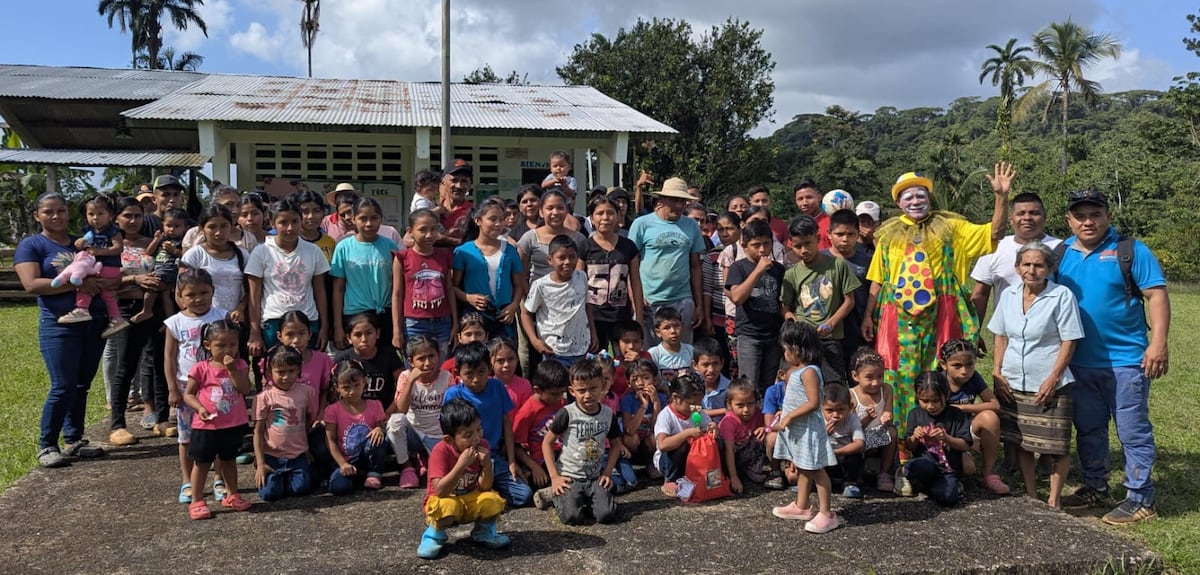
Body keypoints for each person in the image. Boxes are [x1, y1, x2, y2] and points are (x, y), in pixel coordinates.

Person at [861, 164, 1011, 477]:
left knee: (939, 379)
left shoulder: (951, 227)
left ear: (929, 198)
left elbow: (994, 233)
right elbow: (877, 279)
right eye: (908, 197)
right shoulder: (886, 236)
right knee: (897, 382)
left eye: (920, 195)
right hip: (897, 320)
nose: (915, 201)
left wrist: (1001, 197)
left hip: (941, 315)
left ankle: (946, 453)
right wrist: (867, 315)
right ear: (898, 203)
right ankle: (899, 457)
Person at [1054, 190, 1169, 525]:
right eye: (1080, 216)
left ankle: (1141, 498)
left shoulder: (1130, 250)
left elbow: (1156, 295)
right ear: (1069, 220)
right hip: (1079, 361)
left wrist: (1158, 344)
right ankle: (1095, 486)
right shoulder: (1061, 254)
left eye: (1095, 214)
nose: (1088, 222)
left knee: (1132, 432)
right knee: (1088, 429)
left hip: (1127, 361)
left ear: (1108, 216)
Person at [15, 191, 109, 468]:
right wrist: (77, 284)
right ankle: (47, 445)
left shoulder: (81, 243)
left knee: (81, 385)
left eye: (61, 210)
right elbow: (32, 284)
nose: (56, 216)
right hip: (58, 325)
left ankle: (74, 439)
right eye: (48, 211)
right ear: (37, 216)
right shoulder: (32, 245)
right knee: (62, 385)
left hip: (93, 321)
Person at [988, 241, 1083, 509]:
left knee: (1056, 445)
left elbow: (1069, 340)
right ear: (1018, 267)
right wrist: (997, 371)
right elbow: (1000, 335)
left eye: (1039, 265)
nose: (1032, 270)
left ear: (1049, 269)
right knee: (1023, 442)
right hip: (1013, 380)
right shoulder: (1009, 295)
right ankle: (1031, 495)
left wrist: (1053, 378)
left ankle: (1054, 499)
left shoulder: (1061, 296)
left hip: (1049, 381)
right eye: (1026, 264)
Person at [163, 269, 228, 503]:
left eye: (204, 293)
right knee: (186, 437)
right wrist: (172, 388)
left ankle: (219, 479)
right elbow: (169, 357)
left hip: (216, 387)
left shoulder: (221, 317)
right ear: (179, 295)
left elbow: (231, 350)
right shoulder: (175, 322)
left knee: (218, 435)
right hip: (185, 388)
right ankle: (187, 482)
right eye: (191, 295)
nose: (198, 299)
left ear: (213, 292)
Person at [770, 321, 841, 533]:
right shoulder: (797, 371)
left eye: (786, 349)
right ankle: (802, 505)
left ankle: (827, 513)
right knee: (802, 466)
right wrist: (785, 412)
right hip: (799, 430)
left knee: (816, 470)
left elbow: (813, 402)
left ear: (798, 349)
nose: (785, 354)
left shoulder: (809, 371)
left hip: (809, 430)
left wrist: (790, 416)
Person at [418, 398, 510, 559]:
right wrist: (461, 465)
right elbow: (439, 491)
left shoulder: (483, 445)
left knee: (492, 501)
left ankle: (483, 532)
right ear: (449, 439)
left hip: (469, 498)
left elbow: (485, 487)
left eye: (479, 429)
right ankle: (434, 535)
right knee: (447, 507)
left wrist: (487, 465)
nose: (476, 438)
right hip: (446, 498)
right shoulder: (440, 451)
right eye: (468, 435)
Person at [442, 342, 532, 507]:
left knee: (523, 495)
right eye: (469, 374)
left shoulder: (497, 386)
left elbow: (506, 423)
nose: (476, 379)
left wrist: (512, 461)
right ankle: (483, 492)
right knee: (457, 496)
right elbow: (449, 433)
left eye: (481, 372)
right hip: (465, 458)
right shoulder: (453, 394)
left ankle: (487, 490)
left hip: (493, 455)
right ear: (457, 373)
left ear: (489, 369)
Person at [536, 359, 622, 524]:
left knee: (606, 515)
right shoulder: (567, 414)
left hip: (594, 476)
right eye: (581, 390)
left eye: (593, 388)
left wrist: (607, 472)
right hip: (569, 476)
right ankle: (554, 494)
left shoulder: (608, 415)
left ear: (602, 386)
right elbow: (547, 443)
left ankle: (586, 499)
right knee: (572, 517)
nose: (588, 395)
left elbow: (616, 445)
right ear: (572, 391)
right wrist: (554, 477)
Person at [183, 319, 253, 519]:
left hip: (232, 423)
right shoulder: (201, 368)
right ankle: (197, 500)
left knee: (229, 460)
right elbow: (188, 394)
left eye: (232, 345)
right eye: (221, 346)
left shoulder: (240, 365)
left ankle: (232, 495)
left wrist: (232, 371)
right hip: (207, 426)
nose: (227, 350)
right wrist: (199, 408)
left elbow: (244, 389)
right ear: (208, 345)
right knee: (202, 463)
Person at [782, 214, 861, 385]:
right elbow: (785, 306)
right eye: (798, 246)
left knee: (834, 384)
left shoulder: (837, 265)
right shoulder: (791, 274)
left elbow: (849, 301)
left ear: (818, 239)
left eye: (808, 243)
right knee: (802, 384)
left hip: (830, 338)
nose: (804, 250)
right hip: (803, 340)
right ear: (791, 245)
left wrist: (831, 323)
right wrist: (791, 319)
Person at [629, 177, 708, 344]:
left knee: (681, 350)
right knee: (649, 353)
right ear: (662, 199)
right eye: (674, 200)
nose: (678, 205)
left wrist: (698, 304)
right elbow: (631, 264)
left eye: (683, 201)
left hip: (682, 298)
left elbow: (695, 267)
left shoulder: (692, 226)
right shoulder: (642, 224)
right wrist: (636, 298)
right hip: (650, 300)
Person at [246, 200, 330, 355]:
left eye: (295, 221)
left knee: (307, 368)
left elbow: (320, 291)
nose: (290, 228)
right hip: (274, 322)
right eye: (283, 223)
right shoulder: (261, 252)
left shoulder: (313, 251)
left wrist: (324, 326)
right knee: (275, 368)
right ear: (272, 223)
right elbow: (254, 296)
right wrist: (254, 331)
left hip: (308, 321)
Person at [265, 310, 333, 475]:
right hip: (284, 426)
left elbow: (325, 390)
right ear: (280, 336)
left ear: (310, 334)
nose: (296, 340)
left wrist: (321, 415)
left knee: (322, 450)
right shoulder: (272, 360)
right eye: (290, 334)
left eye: (302, 333)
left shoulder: (322, 360)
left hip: (313, 423)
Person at [938, 339, 1009, 495]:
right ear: (943, 364)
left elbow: (995, 404)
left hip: (965, 428)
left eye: (969, 365)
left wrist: (962, 408)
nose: (964, 371)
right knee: (968, 468)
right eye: (957, 366)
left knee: (990, 417)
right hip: (944, 433)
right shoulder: (938, 381)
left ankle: (988, 474)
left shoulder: (974, 378)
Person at [725, 219, 786, 393]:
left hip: (773, 335)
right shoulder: (739, 267)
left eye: (766, 244)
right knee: (748, 385)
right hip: (749, 335)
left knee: (769, 386)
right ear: (744, 245)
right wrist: (758, 271)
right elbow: (737, 297)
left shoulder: (778, 269)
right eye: (756, 245)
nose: (762, 250)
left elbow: (782, 301)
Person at [452, 200, 527, 339]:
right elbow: (453, 286)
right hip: (475, 316)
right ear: (478, 220)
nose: (498, 224)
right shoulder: (463, 251)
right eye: (492, 219)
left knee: (504, 350)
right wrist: (468, 297)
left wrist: (514, 305)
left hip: (504, 315)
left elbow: (518, 285)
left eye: (501, 219)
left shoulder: (510, 251)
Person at [253, 346, 319, 502]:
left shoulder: (307, 392)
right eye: (280, 372)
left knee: (300, 489)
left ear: (299, 369)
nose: (286, 377)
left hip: (297, 455)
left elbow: (309, 420)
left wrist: (306, 448)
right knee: (269, 494)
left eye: (291, 371)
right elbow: (258, 432)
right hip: (272, 456)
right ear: (270, 371)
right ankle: (277, 479)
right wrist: (260, 462)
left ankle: (291, 476)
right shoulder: (264, 397)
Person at [331, 197, 398, 349]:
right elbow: (338, 289)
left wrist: (397, 325)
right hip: (355, 315)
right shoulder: (343, 247)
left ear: (381, 218)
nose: (369, 224)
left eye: (374, 218)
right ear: (353, 219)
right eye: (363, 218)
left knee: (385, 358)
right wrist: (338, 326)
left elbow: (397, 286)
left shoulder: (390, 246)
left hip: (385, 314)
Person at [58, 195, 129, 337]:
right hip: (98, 265)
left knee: (86, 281)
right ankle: (116, 318)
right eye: (91, 214)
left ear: (110, 215)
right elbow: (85, 244)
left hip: (108, 266)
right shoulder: (89, 230)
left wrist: (99, 251)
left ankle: (82, 308)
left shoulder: (113, 230)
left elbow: (118, 248)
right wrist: (80, 243)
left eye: (100, 213)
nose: (95, 218)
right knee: (107, 295)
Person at [388, 336, 453, 489]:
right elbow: (401, 409)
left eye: (432, 356)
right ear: (411, 362)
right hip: (414, 433)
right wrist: (411, 381)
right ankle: (406, 467)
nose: (428, 363)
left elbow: (451, 410)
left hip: (438, 435)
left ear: (439, 356)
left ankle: (423, 458)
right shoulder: (405, 376)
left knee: (443, 471)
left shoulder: (446, 377)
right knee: (395, 421)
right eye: (421, 359)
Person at [521, 235, 596, 367]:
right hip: (553, 350)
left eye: (572, 257)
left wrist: (593, 333)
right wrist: (534, 340)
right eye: (561, 258)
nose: (567, 262)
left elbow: (587, 306)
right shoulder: (541, 285)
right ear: (550, 260)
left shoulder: (582, 277)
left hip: (581, 348)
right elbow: (526, 313)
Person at [581, 195, 643, 352]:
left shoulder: (628, 246)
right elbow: (578, 283)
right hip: (593, 315)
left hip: (621, 315)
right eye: (599, 213)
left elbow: (636, 282)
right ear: (592, 218)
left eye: (610, 213)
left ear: (618, 216)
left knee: (626, 357)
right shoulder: (584, 246)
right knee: (595, 359)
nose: (605, 218)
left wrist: (639, 316)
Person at [901, 372, 973, 507]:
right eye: (925, 401)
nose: (930, 406)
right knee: (922, 467)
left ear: (946, 395)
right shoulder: (915, 414)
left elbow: (965, 445)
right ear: (917, 396)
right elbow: (909, 445)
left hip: (947, 470)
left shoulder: (957, 415)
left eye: (935, 401)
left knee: (948, 499)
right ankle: (907, 475)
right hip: (924, 463)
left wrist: (946, 438)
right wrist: (914, 437)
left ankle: (936, 488)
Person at [391, 208, 456, 356]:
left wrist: (455, 323)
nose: (429, 235)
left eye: (433, 229)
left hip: (443, 322)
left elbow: (449, 289)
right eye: (422, 230)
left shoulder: (444, 255)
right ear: (410, 231)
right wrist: (397, 329)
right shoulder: (402, 257)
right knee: (417, 363)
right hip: (414, 323)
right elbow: (397, 295)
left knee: (441, 364)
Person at [324, 359, 389, 494]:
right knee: (338, 487)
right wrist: (343, 464)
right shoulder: (332, 410)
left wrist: (379, 429)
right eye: (346, 388)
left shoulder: (375, 405)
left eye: (356, 385)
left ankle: (373, 472)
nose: (352, 391)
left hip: (367, 455)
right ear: (337, 387)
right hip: (347, 459)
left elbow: (381, 428)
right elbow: (330, 441)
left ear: (364, 382)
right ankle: (354, 475)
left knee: (378, 438)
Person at [180, 205, 250, 329]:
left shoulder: (242, 255)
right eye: (212, 227)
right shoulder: (194, 255)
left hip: (234, 324)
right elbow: (180, 292)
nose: (218, 232)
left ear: (231, 226)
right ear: (202, 229)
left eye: (224, 226)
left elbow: (251, 291)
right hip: (202, 325)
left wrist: (240, 308)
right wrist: (196, 318)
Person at [825, 209, 872, 373]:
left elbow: (873, 292)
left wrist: (868, 317)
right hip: (829, 331)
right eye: (839, 234)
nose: (845, 239)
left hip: (858, 328)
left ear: (858, 234)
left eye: (851, 234)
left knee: (858, 375)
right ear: (829, 234)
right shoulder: (820, 260)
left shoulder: (867, 261)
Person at [654, 372, 713, 496]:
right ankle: (670, 479)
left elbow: (708, 425)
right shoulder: (666, 415)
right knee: (680, 446)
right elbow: (663, 444)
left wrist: (712, 428)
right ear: (676, 397)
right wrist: (687, 434)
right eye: (691, 403)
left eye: (699, 403)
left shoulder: (697, 411)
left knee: (716, 441)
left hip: (691, 459)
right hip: (668, 461)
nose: (695, 407)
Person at [512, 360, 569, 489]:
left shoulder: (563, 403)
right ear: (537, 390)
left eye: (562, 393)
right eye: (554, 394)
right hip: (541, 460)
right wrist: (534, 466)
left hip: (564, 454)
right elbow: (516, 446)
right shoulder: (527, 412)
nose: (559, 397)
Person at [847, 347, 897, 492]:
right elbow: (852, 427)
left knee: (892, 431)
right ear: (855, 376)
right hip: (858, 435)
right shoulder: (851, 395)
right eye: (869, 377)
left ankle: (884, 473)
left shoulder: (886, 389)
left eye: (880, 376)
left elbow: (888, 412)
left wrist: (887, 416)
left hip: (879, 433)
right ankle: (854, 474)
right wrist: (868, 418)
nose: (875, 382)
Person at [333, 312, 404, 412]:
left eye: (369, 333)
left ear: (377, 333)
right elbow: (334, 392)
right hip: (350, 414)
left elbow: (402, 385)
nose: (364, 339)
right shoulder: (343, 358)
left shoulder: (389, 355)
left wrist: (389, 412)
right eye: (358, 335)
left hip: (386, 412)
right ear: (349, 338)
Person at [718, 377, 767, 492]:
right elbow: (728, 450)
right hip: (729, 457)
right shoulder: (729, 422)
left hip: (746, 452)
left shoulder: (758, 414)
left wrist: (765, 429)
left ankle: (752, 470)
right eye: (740, 405)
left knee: (763, 436)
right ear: (729, 404)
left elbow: (771, 425)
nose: (746, 410)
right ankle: (731, 473)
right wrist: (733, 477)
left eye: (750, 404)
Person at [139, 208, 188, 323]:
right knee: (165, 295)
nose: (172, 229)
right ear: (163, 225)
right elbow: (149, 252)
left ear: (185, 228)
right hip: (159, 269)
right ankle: (169, 320)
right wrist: (156, 240)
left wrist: (175, 251)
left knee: (151, 286)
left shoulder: (183, 241)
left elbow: (187, 256)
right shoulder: (162, 239)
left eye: (177, 226)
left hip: (170, 271)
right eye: (168, 226)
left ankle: (147, 310)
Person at [620, 358, 666, 477]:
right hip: (634, 445)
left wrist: (656, 403)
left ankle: (652, 462)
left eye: (646, 378)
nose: (640, 383)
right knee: (631, 438)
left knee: (653, 438)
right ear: (629, 384)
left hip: (650, 442)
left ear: (655, 380)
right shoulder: (627, 400)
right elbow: (629, 430)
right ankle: (630, 462)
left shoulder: (661, 398)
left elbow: (657, 428)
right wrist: (644, 406)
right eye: (635, 379)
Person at [823, 382, 866, 499]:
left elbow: (859, 444)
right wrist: (823, 435)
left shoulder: (852, 419)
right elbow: (811, 445)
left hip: (843, 459)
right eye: (829, 410)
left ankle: (850, 483)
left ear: (850, 407)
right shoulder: (819, 420)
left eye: (841, 410)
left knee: (854, 457)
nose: (835, 415)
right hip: (825, 460)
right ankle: (816, 481)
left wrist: (836, 452)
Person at [648, 306, 694, 381]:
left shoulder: (690, 350)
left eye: (676, 326)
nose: (673, 331)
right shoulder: (654, 353)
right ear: (658, 332)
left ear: (682, 326)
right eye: (667, 328)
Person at [440, 160, 475, 240]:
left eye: (464, 181)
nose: (459, 186)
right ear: (443, 182)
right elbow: (411, 238)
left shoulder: (474, 213)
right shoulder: (431, 208)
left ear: (469, 185)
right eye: (454, 180)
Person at [792, 180, 832, 250]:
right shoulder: (795, 225)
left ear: (819, 197)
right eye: (800, 199)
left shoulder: (831, 222)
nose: (804, 203)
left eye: (809, 197)